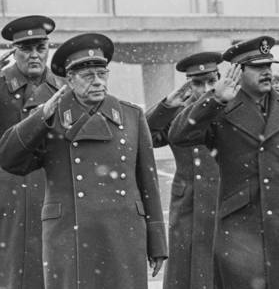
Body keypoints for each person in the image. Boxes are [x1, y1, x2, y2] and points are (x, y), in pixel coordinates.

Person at [0, 33, 167, 289]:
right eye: (88, 77)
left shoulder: (131, 116)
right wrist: (40, 117)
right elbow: (10, 158)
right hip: (71, 235)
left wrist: (157, 242)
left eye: (102, 74)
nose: (98, 82)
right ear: (70, 80)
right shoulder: (51, 119)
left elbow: (148, 183)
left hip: (123, 234)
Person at [168, 36, 279, 289]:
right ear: (238, 71)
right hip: (239, 222)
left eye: (268, 67)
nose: (266, 73)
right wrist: (213, 100)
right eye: (258, 68)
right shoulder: (219, 107)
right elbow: (180, 135)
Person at [146, 52, 222, 289]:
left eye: (211, 81)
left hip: (225, 196)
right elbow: (144, 136)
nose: (205, 89)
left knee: (225, 264)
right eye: (197, 83)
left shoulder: (229, 107)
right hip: (189, 198)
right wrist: (166, 106)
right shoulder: (179, 113)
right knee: (186, 268)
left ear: (220, 78)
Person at [0, 16, 60, 289]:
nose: (34, 55)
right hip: (8, 198)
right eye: (26, 49)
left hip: (54, 194)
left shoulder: (64, 89)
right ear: (14, 51)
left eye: (40, 47)